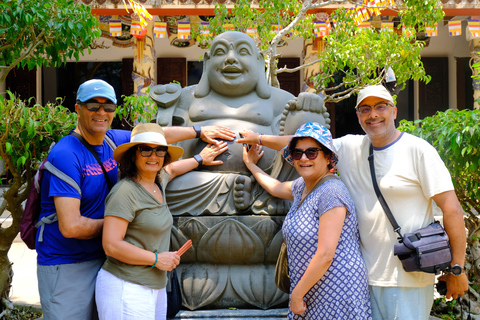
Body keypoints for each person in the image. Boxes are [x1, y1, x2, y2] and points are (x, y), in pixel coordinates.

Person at [236, 85, 468, 320]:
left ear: (394, 111)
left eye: (381, 107)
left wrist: (457, 269)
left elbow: (452, 209)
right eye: (365, 109)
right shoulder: (351, 147)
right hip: (360, 278)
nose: (373, 114)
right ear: (358, 116)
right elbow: (303, 144)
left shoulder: (418, 151)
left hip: (405, 278)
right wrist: (258, 140)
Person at [35, 79, 235, 320]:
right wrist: (124, 224)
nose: (102, 113)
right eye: (93, 106)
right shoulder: (67, 154)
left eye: (108, 107)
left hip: (110, 259)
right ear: (78, 108)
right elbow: (71, 226)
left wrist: (199, 133)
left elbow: (155, 139)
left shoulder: (111, 139)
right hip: (68, 263)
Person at [149, 31, 329, 216]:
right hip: (200, 182)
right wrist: (198, 132)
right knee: (164, 188)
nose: (230, 59)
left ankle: (257, 192)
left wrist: (264, 137)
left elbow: (305, 140)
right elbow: (157, 137)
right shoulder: (187, 96)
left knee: (302, 117)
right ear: (207, 61)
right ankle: (239, 190)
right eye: (220, 52)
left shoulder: (280, 99)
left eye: (242, 52)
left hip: (269, 179)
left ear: (259, 61)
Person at [95, 123, 227, 319]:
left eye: (160, 150)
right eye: (146, 150)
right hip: (126, 286)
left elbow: (172, 170)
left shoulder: (157, 181)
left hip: (155, 287)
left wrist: (200, 159)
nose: (153, 156)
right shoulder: (125, 191)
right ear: (133, 154)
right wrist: (156, 259)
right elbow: (111, 245)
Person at [242, 122, 371, 319]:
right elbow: (276, 188)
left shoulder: (331, 192)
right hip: (312, 289)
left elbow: (326, 254)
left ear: (328, 156)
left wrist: (297, 294)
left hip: (336, 291)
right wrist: (250, 164)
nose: (303, 158)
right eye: (297, 153)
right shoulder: (303, 186)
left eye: (312, 152)